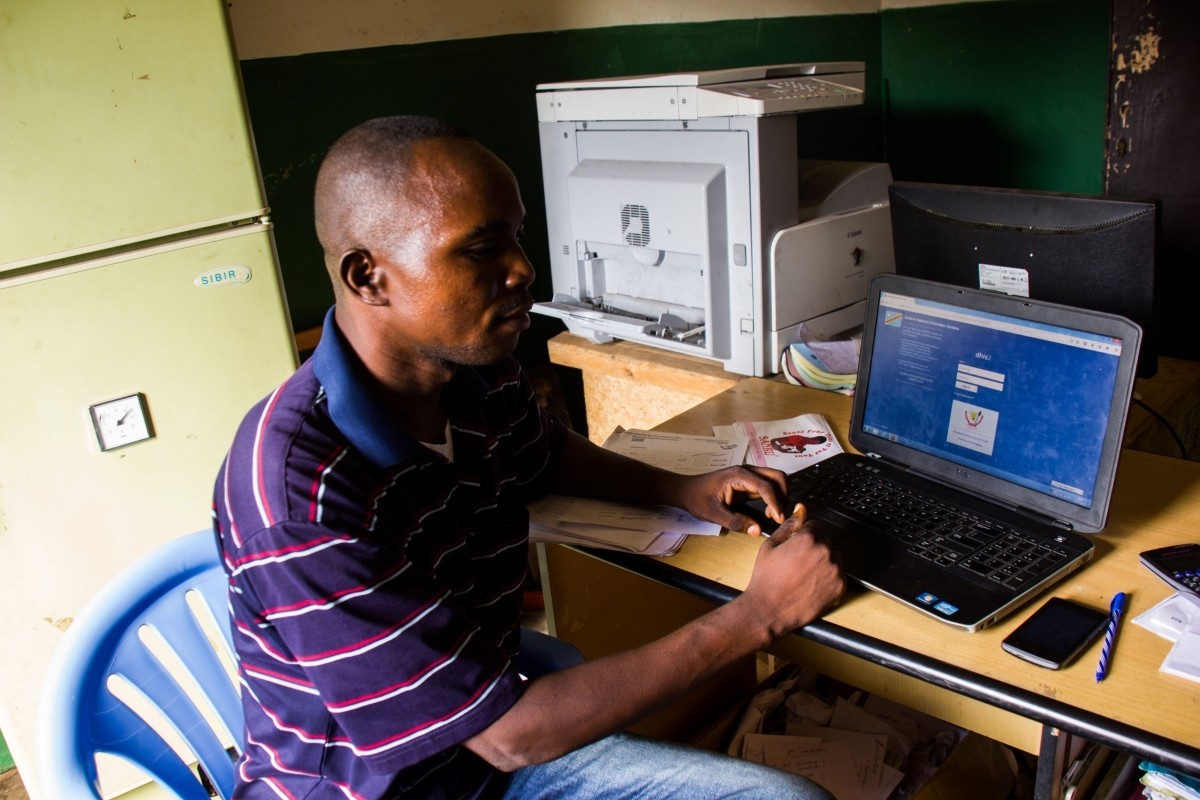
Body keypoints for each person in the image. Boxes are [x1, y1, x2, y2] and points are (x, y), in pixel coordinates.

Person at [212, 115, 846, 800]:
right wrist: (760, 616)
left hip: (488, 766)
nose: (521, 269)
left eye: (516, 235)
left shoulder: (475, 369)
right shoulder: (300, 495)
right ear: (370, 277)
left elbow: (544, 455)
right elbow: (513, 734)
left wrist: (682, 487)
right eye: (481, 249)